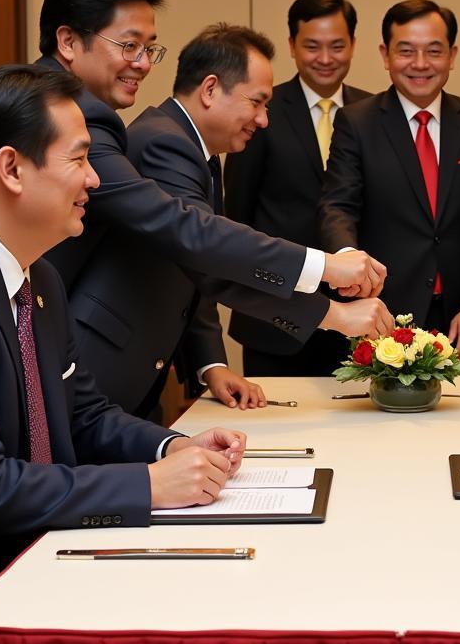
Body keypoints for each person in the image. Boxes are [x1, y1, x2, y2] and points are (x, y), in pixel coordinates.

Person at [0, 66, 248, 644]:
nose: (95, 179)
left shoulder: (40, 275)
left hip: (21, 551)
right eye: (80, 159)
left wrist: (174, 445)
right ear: (12, 168)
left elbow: (82, 415)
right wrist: (148, 486)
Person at [0, 0, 392, 351]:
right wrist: (324, 266)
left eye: (151, 48)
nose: (143, 64)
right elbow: (177, 226)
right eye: (129, 46)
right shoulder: (52, 110)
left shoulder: (77, 108)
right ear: (68, 40)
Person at [70, 23, 293, 418]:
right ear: (209, 89)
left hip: (136, 368)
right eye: (257, 103)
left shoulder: (197, 148)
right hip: (103, 364)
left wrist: (211, 364)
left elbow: (188, 265)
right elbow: (204, 249)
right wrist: (328, 296)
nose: (263, 120)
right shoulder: (164, 143)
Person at [320, 0, 460, 360]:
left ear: (453, 55)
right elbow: (338, 205)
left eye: (434, 51)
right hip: (384, 314)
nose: (421, 64)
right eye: (406, 51)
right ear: (385, 54)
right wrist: (349, 260)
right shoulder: (357, 123)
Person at [225, 0, 372, 376]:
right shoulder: (260, 111)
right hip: (275, 318)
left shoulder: (373, 114)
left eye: (337, 46)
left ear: (354, 45)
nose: (325, 59)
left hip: (357, 322)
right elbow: (237, 213)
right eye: (312, 46)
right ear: (291, 46)